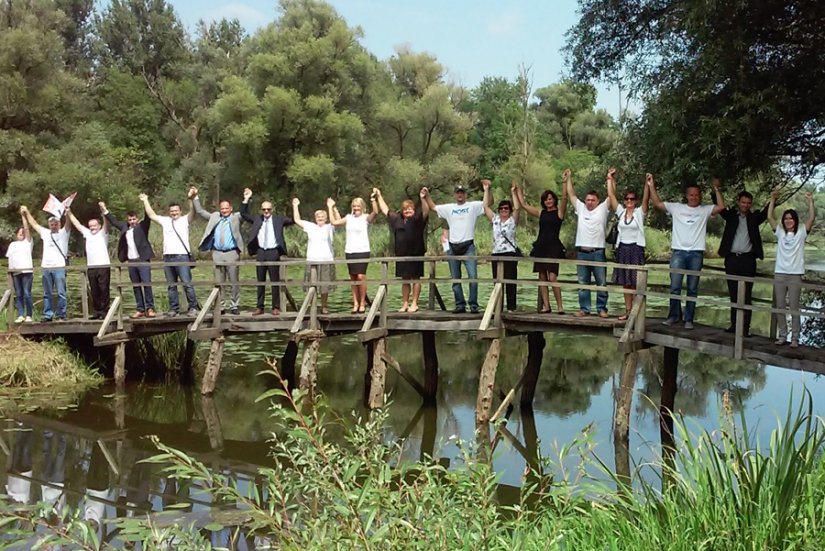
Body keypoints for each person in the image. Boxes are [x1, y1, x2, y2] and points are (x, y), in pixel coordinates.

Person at [649, 178, 725, 329]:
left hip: (696, 254)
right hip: (678, 253)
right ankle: (673, 316)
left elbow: (721, 207)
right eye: (691, 195)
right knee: (675, 287)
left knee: (692, 288)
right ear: (686, 196)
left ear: (700, 196)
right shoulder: (676, 208)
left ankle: (689, 319)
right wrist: (651, 185)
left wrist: (716, 189)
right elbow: (657, 203)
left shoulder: (704, 210)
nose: (694, 197)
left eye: (697, 195)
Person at [423, 183, 486, 313]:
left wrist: (487, 190)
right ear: (455, 194)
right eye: (458, 192)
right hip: (453, 246)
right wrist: (427, 195)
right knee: (455, 278)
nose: (460, 194)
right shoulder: (450, 208)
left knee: (473, 277)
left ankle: (473, 305)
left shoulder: (473, 206)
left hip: (468, 246)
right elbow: (433, 207)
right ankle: (460, 305)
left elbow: (487, 203)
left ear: (466, 194)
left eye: (462, 192)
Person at [767, 190, 816, 348]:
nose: (788, 221)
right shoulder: (780, 233)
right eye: (786, 218)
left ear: (795, 220)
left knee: (794, 308)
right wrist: (772, 200)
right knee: (780, 307)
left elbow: (812, 218)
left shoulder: (801, 233)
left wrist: (810, 202)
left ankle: (795, 338)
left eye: (791, 218)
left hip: (795, 275)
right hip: (780, 273)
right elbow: (769, 217)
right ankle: (782, 336)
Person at [717, 189, 769, 336]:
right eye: (743, 202)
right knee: (733, 293)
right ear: (738, 202)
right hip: (732, 258)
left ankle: (745, 328)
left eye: (748, 203)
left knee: (746, 295)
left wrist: (774, 199)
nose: (745, 205)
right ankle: (734, 325)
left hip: (748, 260)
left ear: (751, 204)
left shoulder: (754, 218)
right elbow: (720, 208)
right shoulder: (731, 216)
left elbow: (766, 213)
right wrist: (716, 189)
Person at [140, 191, 199, 317]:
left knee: (187, 283)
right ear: (169, 212)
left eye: (176, 211)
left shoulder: (184, 220)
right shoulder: (165, 221)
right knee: (171, 286)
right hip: (168, 257)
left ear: (180, 211)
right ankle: (174, 309)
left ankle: (193, 307)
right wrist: (145, 200)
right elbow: (151, 215)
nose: (174, 213)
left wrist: (191, 198)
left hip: (181, 256)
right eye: (172, 211)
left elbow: (193, 211)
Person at [193, 187, 250, 315]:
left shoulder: (236, 217)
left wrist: (246, 198)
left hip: (232, 253)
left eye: (226, 208)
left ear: (231, 208)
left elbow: (244, 211)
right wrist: (195, 197)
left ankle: (234, 305)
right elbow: (201, 212)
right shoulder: (215, 216)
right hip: (217, 253)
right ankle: (221, 305)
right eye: (222, 208)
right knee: (219, 282)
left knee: (234, 281)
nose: (224, 210)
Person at [374, 187, 430, 313]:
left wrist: (423, 198)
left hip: (416, 253)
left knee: (416, 278)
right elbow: (385, 210)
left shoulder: (417, 219)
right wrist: (379, 196)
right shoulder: (397, 219)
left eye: (410, 208)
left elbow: (426, 211)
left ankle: (414, 303)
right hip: (402, 254)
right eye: (405, 209)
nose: (408, 210)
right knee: (404, 280)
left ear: (414, 210)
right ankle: (405, 303)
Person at [564, 169, 611, 318]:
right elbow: (571, 194)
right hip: (582, 252)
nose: (590, 202)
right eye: (588, 200)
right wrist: (568, 178)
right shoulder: (581, 208)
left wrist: (610, 179)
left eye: (592, 200)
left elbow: (612, 196)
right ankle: (584, 309)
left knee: (601, 283)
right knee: (582, 283)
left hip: (597, 252)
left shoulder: (603, 209)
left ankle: (601, 309)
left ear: (597, 201)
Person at [606, 169, 650, 321]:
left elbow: (646, 199)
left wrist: (647, 184)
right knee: (626, 283)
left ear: (635, 201)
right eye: (627, 199)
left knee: (636, 283)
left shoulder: (639, 213)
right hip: (623, 249)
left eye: (632, 199)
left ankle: (637, 312)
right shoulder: (621, 212)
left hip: (635, 249)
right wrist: (609, 178)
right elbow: (611, 196)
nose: (629, 201)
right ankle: (628, 311)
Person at [240, 190, 294, 316]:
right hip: (261, 251)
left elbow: (293, 220)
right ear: (261, 210)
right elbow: (243, 214)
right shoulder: (257, 219)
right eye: (264, 210)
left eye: (268, 209)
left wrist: (295, 206)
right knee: (260, 280)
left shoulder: (278, 219)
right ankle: (260, 307)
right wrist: (246, 199)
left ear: (272, 209)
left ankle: (275, 307)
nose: (266, 212)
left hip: (273, 251)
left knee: (274, 281)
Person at [517, 182, 568, 314]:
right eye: (546, 200)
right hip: (541, 246)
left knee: (552, 277)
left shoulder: (559, 212)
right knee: (542, 277)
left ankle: (560, 306)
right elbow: (524, 205)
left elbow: (565, 198)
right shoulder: (541, 213)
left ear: (554, 200)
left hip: (554, 247)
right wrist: (517, 190)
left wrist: (565, 182)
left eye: (550, 199)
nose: (548, 201)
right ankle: (546, 306)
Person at [103, 200, 156, 318]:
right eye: (130, 220)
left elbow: (148, 217)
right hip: (132, 261)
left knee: (147, 284)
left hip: (142, 260)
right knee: (136, 286)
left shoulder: (142, 226)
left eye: (134, 219)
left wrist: (145, 201)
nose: (132, 221)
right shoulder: (125, 228)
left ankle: (150, 308)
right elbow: (114, 221)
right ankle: (140, 309)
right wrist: (104, 209)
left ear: (137, 219)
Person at [20, 205, 71, 321]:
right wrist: (26, 211)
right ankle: (48, 315)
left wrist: (68, 213)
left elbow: (68, 224)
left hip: (59, 267)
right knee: (47, 293)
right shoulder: (45, 233)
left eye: (56, 224)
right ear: (49, 225)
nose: (54, 226)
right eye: (52, 224)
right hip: (46, 267)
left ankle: (61, 315)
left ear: (59, 224)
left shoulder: (63, 233)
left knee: (61, 292)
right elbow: (33, 224)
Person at [329, 196, 377, 313]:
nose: (356, 208)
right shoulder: (348, 218)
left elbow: (375, 212)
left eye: (358, 206)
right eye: (354, 206)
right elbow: (334, 222)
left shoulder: (365, 218)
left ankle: (362, 303)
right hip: (350, 250)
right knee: (353, 278)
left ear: (362, 207)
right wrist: (330, 207)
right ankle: (355, 302)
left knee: (361, 276)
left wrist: (373, 200)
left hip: (363, 250)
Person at [66, 205, 111, 320]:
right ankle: (96, 311)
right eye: (90, 226)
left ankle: (105, 312)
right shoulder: (87, 234)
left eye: (94, 225)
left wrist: (103, 211)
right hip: (91, 266)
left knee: (103, 289)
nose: (92, 228)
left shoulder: (103, 233)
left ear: (99, 226)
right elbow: (77, 224)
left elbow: (106, 222)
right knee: (94, 289)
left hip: (103, 265)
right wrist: (69, 212)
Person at [292, 198, 336, 314]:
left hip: (326, 259)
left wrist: (331, 207)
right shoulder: (310, 226)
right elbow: (297, 220)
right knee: (312, 285)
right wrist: (295, 205)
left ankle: (324, 306)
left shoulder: (330, 227)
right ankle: (312, 306)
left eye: (322, 217)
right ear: (315, 219)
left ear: (326, 218)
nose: (320, 219)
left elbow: (337, 220)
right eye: (318, 217)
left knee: (325, 285)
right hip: (312, 259)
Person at [482, 180, 520, 312]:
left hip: (509, 253)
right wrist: (487, 189)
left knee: (510, 281)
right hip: (496, 253)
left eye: (506, 208)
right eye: (502, 208)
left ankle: (511, 308)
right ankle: (498, 308)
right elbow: (486, 207)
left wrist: (513, 192)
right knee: (497, 282)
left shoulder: (512, 220)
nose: (504, 210)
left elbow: (518, 208)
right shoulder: (495, 219)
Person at [7, 208, 34, 322]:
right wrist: (10, 272)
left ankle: (29, 315)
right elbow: (10, 258)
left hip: (27, 271)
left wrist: (23, 215)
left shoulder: (28, 242)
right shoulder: (12, 244)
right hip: (15, 272)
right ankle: (20, 315)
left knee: (27, 293)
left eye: (23, 233)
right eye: (19, 233)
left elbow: (27, 228)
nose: (21, 234)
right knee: (18, 294)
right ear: (16, 235)